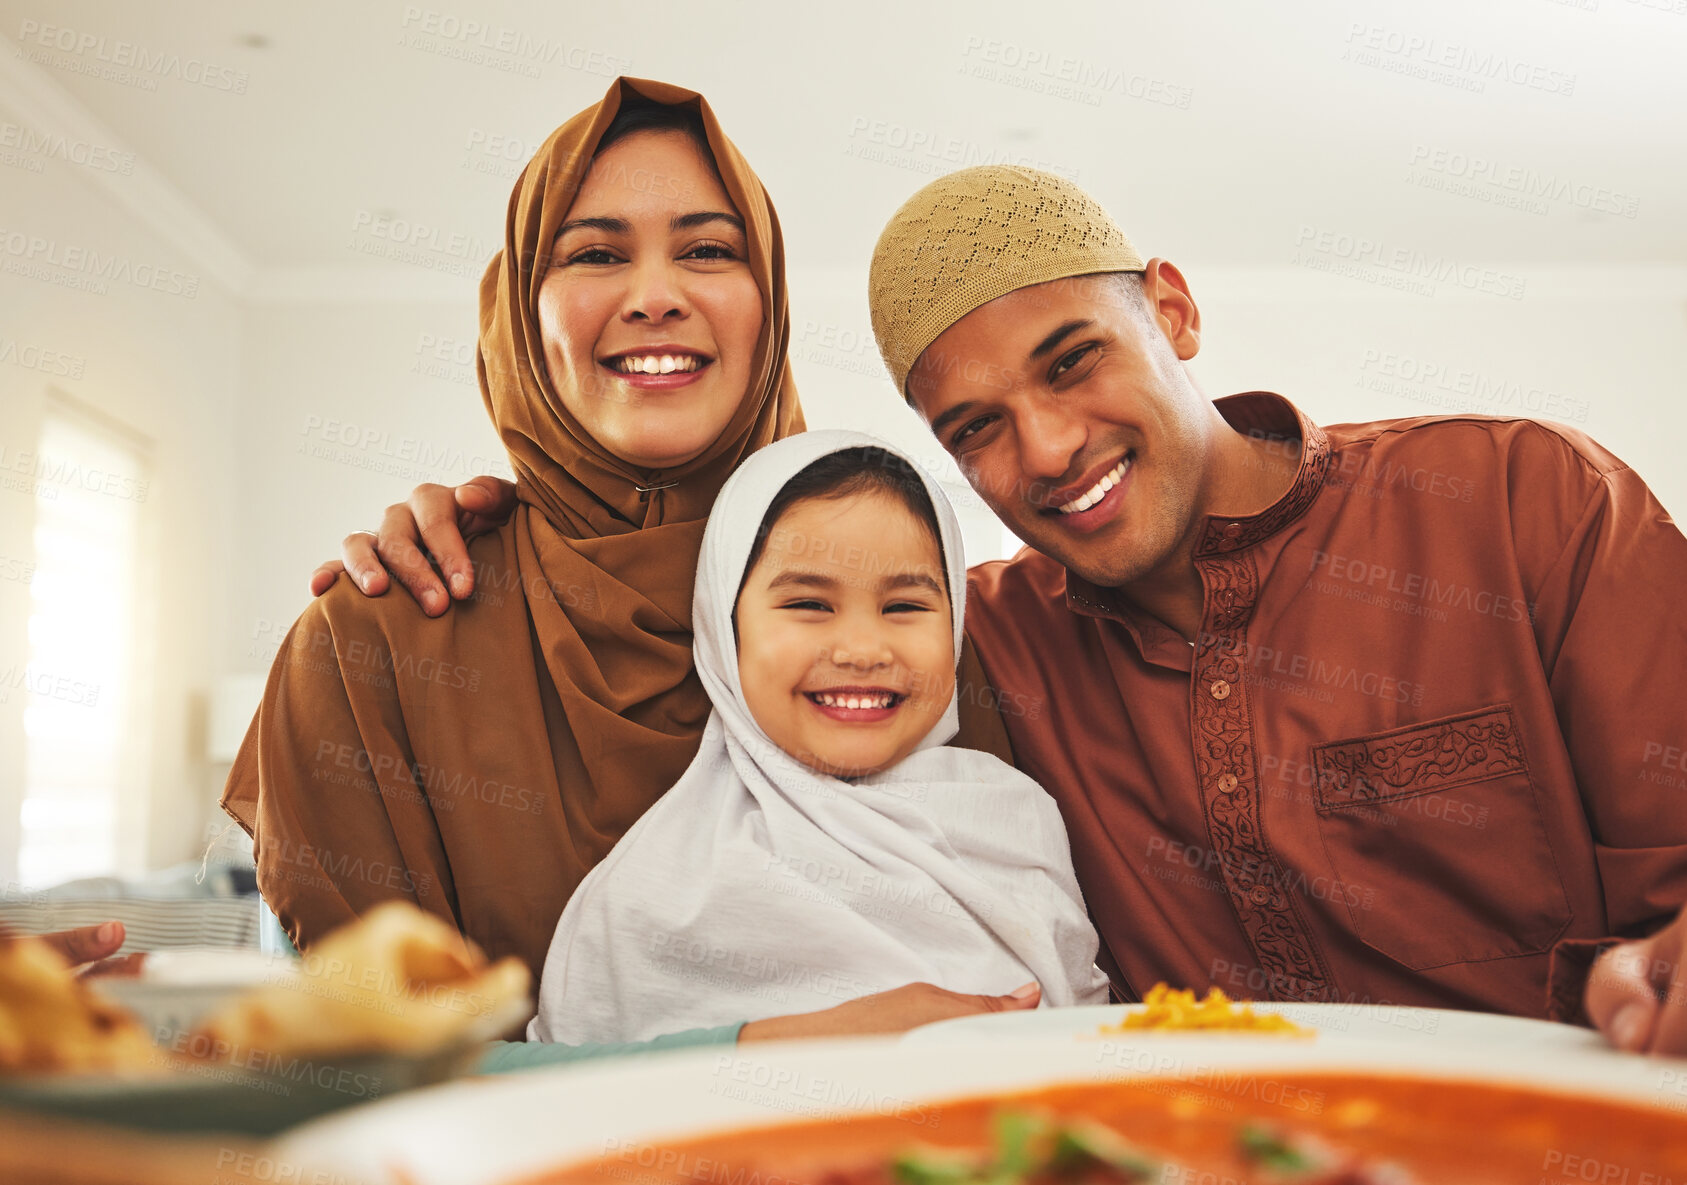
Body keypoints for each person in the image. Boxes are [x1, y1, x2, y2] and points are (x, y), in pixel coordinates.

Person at [328, 165, 1687, 1056]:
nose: (1040, 450)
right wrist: (494, 530)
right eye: (972, 426)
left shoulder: (1515, 508)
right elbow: (776, 601)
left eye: (1072, 360)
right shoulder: (987, 642)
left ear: (1172, 309)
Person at [225, 79, 1037, 1066]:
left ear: (769, 303)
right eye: (596, 254)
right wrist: (754, 1050)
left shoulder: (932, 635)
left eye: (707, 250)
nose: (656, 295)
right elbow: (345, 1069)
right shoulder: (373, 646)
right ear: (522, 315)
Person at [531, 432, 1109, 1044]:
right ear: (726, 629)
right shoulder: (659, 893)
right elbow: (583, 1103)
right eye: (808, 603)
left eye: (906, 607)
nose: (862, 651)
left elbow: (1088, 1042)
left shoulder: (1013, 818)